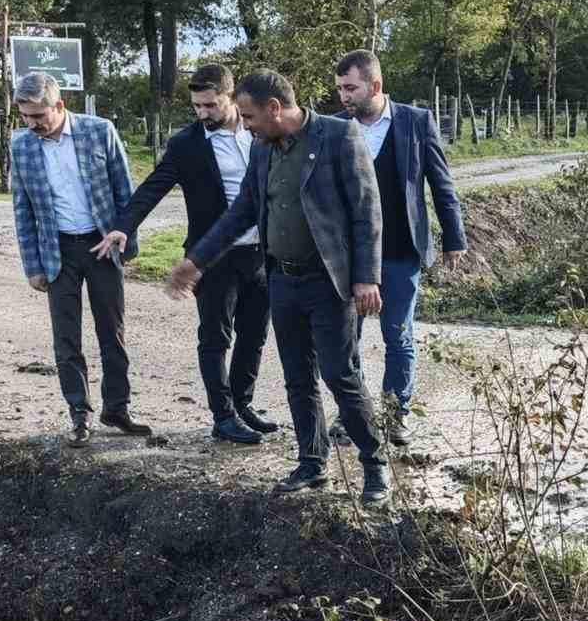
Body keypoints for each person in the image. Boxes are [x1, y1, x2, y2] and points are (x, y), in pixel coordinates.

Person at [165, 70, 390, 505]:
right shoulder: (264, 150)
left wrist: (367, 277)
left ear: (274, 108)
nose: (244, 124)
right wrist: (197, 261)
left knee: (340, 375)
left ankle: (374, 464)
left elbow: (367, 212)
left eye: (249, 116)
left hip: (329, 281)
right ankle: (312, 462)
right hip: (281, 279)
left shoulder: (338, 136)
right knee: (296, 376)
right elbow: (242, 211)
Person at [92, 63, 274, 446]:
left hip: (262, 252)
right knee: (215, 337)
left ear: (231, 97)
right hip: (213, 255)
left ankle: (242, 405)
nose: (202, 113)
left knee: (254, 334)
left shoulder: (261, 133)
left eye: (210, 105)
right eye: (196, 106)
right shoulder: (186, 143)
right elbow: (153, 187)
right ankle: (223, 416)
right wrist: (124, 225)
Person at [10, 71, 153, 447]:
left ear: (59, 105)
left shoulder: (99, 131)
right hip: (57, 251)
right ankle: (79, 413)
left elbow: (125, 189)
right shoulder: (22, 146)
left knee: (112, 331)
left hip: (102, 244)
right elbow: (22, 209)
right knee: (66, 338)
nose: (32, 124)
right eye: (25, 116)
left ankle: (117, 408)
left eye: (38, 116)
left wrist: (127, 243)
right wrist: (33, 266)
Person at [332, 50, 466, 446]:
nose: (344, 96)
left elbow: (442, 184)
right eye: (340, 88)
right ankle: (352, 415)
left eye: (351, 88)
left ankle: (395, 415)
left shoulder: (415, 122)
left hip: (400, 249)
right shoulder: (334, 128)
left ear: (375, 85)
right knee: (345, 338)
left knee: (398, 334)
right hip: (350, 254)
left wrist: (453, 237)